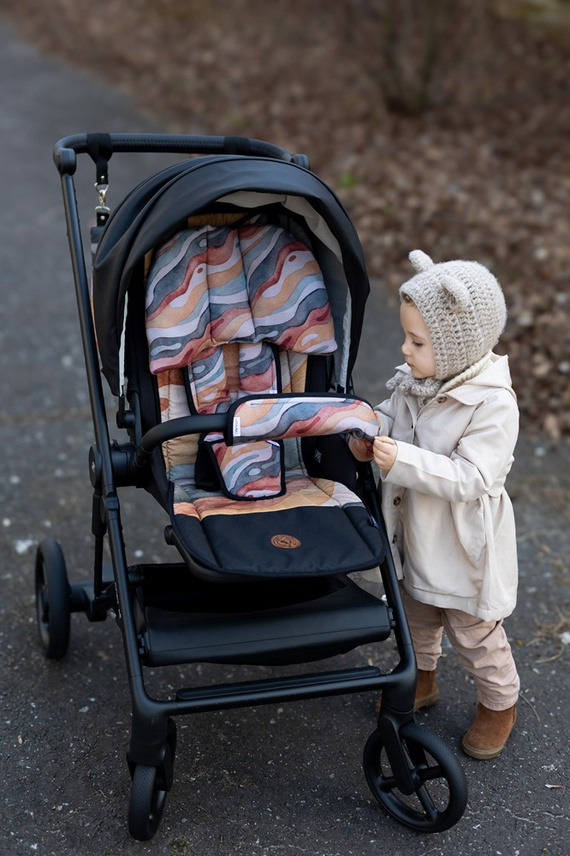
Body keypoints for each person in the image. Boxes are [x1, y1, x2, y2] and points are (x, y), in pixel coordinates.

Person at [352, 249, 520, 760]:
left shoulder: (493, 404)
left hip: (460, 544)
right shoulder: (418, 380)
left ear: (458, 346)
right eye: (406, 337)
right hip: (415, 532)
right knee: (414, 613)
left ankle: (499, 701)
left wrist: (399, 459)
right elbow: (390, 415)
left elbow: (471, 477)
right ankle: (420, 677)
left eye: (417, 342)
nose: (404, 350)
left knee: (473, 633)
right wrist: (370, 431)